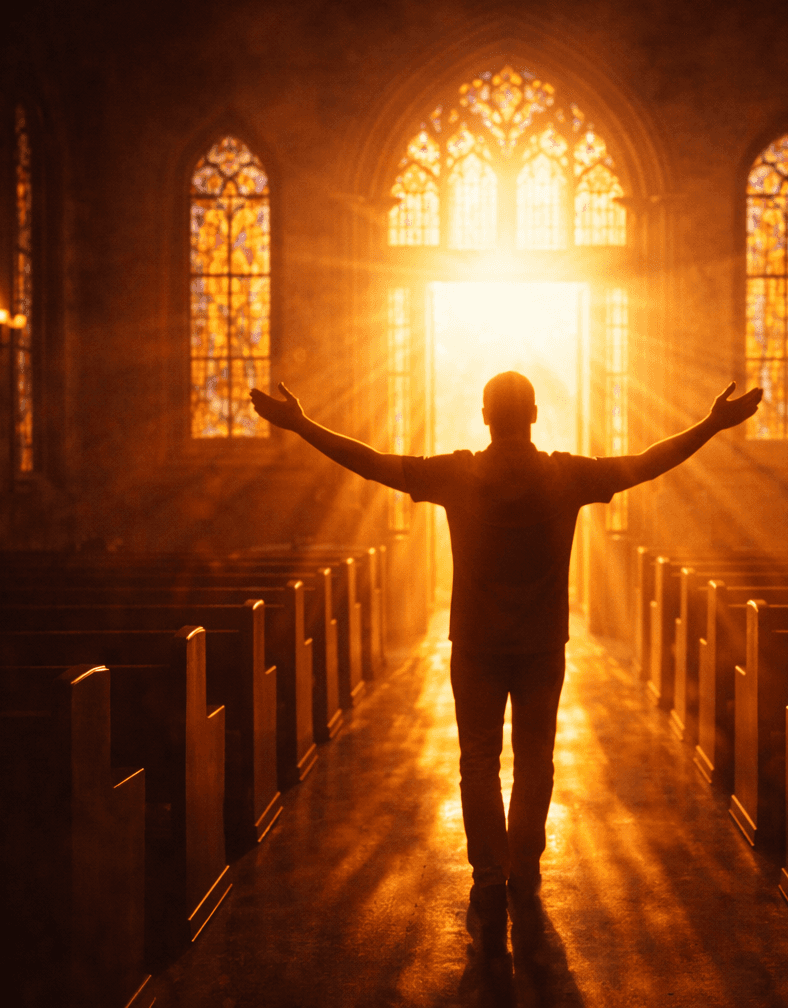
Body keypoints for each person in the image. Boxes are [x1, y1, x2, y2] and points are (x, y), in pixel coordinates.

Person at [250, 371, 761, 959]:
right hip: (542, 643)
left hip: (476, 643)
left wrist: (301, 423)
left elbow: (370, 463)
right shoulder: (567, 475)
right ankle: (523, 869)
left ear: (486, 416)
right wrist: (713, 424)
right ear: (536, 414)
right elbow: (649, 461)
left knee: (477, 762)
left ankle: (490, 877)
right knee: (536, 760)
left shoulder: (459, 473)